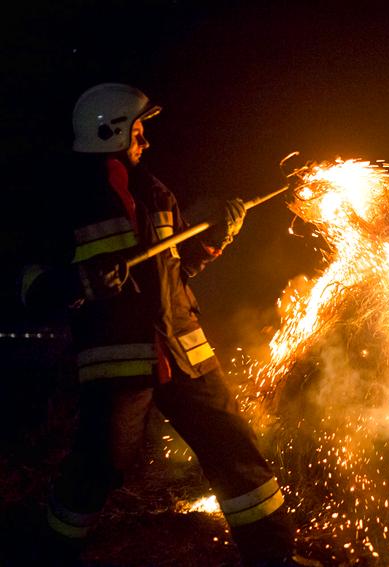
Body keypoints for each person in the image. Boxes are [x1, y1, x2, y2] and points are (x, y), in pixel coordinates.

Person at [20, 83, 300, 566]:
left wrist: (217, 237)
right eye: (138, 131)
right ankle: (47, 555)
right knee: (98, 467)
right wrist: (82, 280)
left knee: (234, 448)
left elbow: (176, 272)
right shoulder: (65, 203)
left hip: (183, 351)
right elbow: (30, 287)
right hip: (118, 364)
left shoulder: (156, 192)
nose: (145, 141)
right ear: (109, 132)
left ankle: (273, 557)